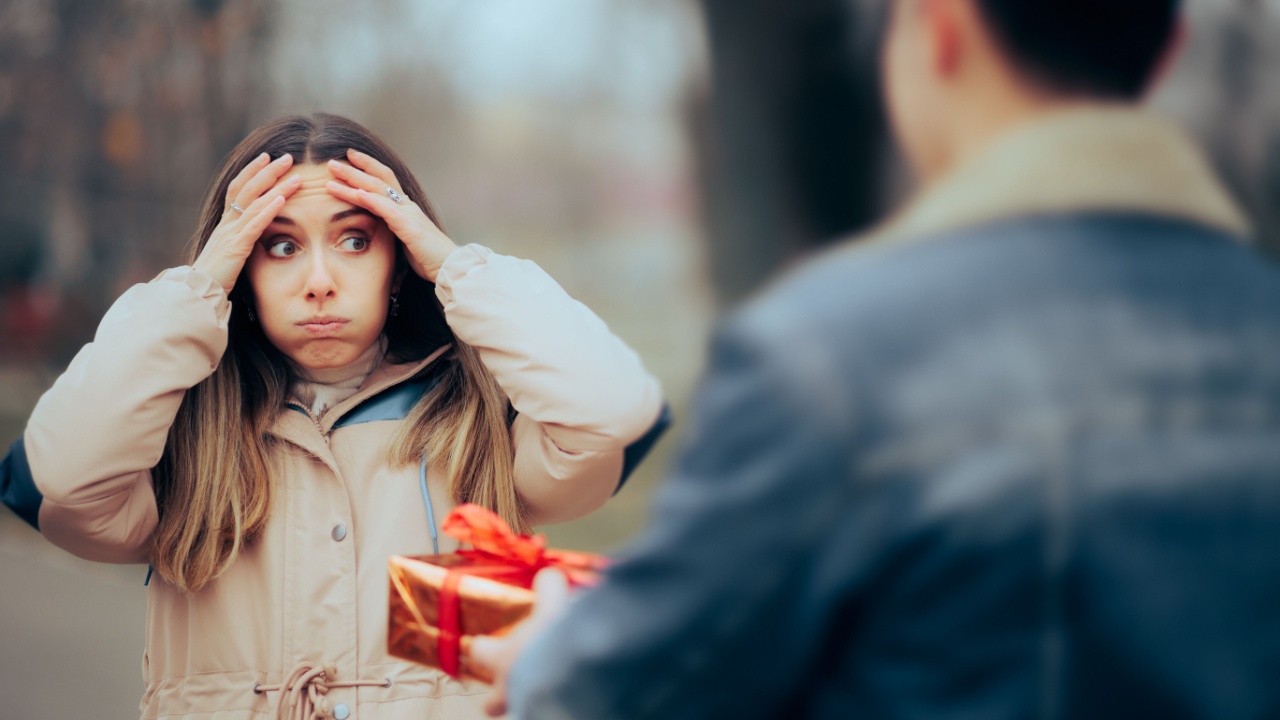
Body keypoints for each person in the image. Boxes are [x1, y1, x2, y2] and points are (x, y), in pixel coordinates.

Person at [474, 1, 1280, 718]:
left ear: (938, 27)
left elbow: (624, 689)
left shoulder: (826, 358)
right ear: (1169, 48)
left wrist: (548, 655)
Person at [0, 113, 667, 719]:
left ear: (398, 261)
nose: (319, 279)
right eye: (280, 246)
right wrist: (196, 289)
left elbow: (615, 412)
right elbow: (57, 481)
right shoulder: (175, 437)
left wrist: (454, 266)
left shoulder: (474, 428)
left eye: (354, 240)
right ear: (243, 270)